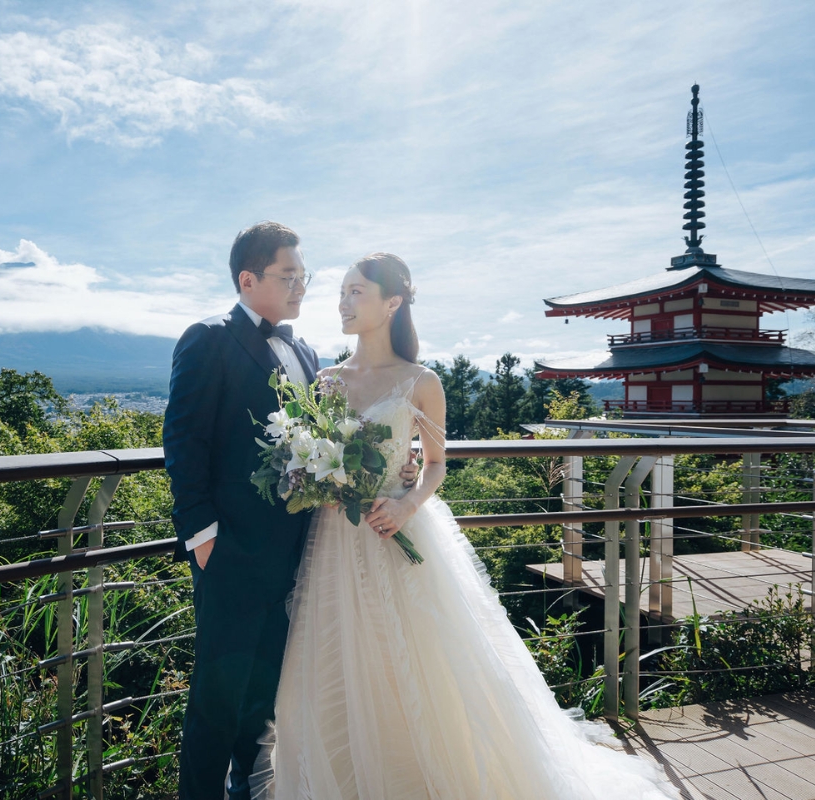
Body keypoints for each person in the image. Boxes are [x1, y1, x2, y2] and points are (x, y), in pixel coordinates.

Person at [251, 253, 680, 800]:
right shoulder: (327, 381)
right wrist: (321, 481)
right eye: (340, 291)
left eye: (355, 291)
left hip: (397, 534)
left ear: (392, 302)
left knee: (417, 663)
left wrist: (407, 504)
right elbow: (316, 456)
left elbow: (434, 464)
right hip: (336, 539)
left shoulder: (420, 381)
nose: (342, 301)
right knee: (338, 663)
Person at [164, 225, 419, 800]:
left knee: (265, 697)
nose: (303, 287)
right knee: (216, 697)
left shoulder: (306, 353)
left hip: (306, 554)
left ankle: (248, 791)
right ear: (248, 279)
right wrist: (203, 538)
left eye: (304, 277)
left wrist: (396, 467)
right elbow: (183, 443)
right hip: (230, 552)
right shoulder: (207, 339)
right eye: (289, 277)